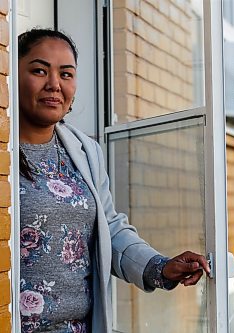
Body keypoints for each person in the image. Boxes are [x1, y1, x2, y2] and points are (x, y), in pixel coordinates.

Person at [17, 28, 210, 333]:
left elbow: (109, 228)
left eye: (66, 74)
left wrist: (160, 267)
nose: (54, 84)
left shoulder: (85, 151)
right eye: (39, 71)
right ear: (13, 75)